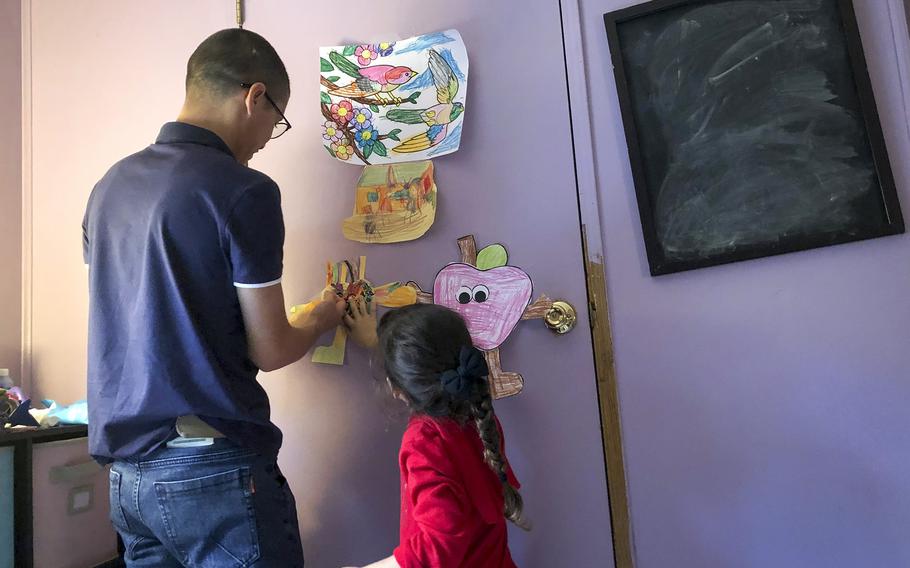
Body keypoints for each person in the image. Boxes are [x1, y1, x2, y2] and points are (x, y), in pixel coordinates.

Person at [82, 28, 344, 567]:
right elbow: (269, 349)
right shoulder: (244, 190)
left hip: (128, 478)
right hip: (211, 470)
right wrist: (319, 318)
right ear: (254, 97)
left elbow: (142, 313)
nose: (267, 139)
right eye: (276, 121)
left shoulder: (109, 187)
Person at [343, 300, 529, 568]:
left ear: (397, 388)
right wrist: (379, 343)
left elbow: (439, 544)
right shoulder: (476, 410)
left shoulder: (424, 442)